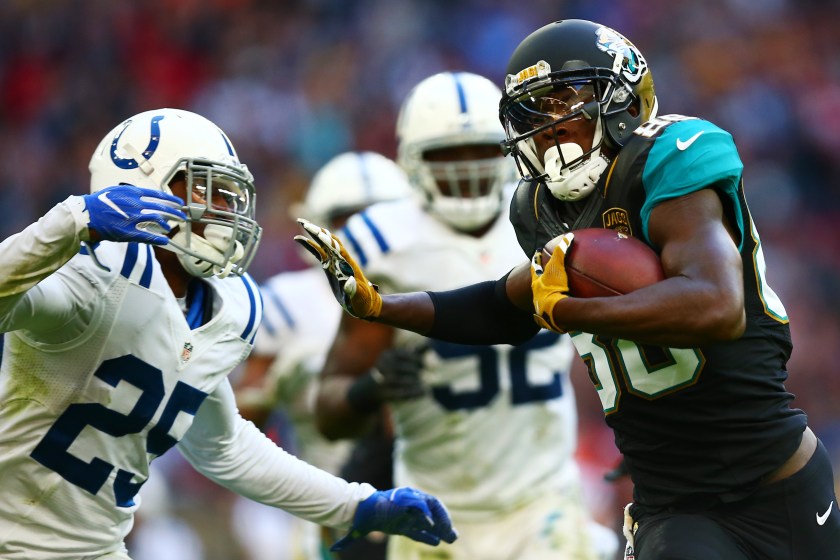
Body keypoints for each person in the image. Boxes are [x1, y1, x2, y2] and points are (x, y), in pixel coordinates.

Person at [295, 19, 840, 560]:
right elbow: (503, 306)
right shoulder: (536, 208)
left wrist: (571, 309)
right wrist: (381, 307)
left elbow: (717, 306)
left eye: (565, 103)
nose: (551, 127)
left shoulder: (670, 157)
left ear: (622, 101)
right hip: (677, 507)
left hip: (782, 482)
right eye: (535, 113)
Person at [0, 107, 457, 559]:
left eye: (228, 194)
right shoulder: (88, 276)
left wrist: (356, 505)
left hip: (95, 547)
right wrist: (73, 221)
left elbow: (225, 447)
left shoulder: (229, 303)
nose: (223, 210)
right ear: (140, 189)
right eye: (204, 190)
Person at [313, 71, 615, 560]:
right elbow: (329, 412)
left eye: (479, 151)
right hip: (432, 511)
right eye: (446, 155)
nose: (466, 168)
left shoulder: (550, 214)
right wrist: (370, 389)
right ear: (411, 160)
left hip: (545, 504)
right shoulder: (381, 243)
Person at [232, 150, 413, 560]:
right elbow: (236, 428)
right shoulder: (285, 303)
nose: (366, 229)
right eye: (349, 217)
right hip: (333, 506)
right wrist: (273, 388)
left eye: (378, 214)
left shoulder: (431, 280)